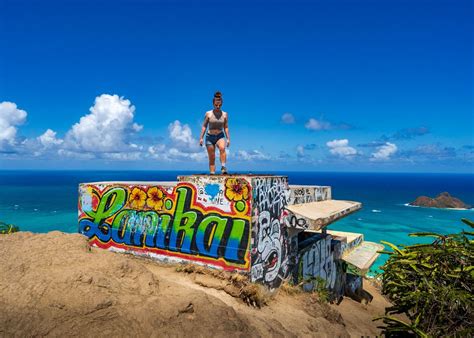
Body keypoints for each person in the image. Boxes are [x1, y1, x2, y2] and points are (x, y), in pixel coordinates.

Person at [199, 91, 230, 174]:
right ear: (213, 103)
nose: (218, 106)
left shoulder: (225, 114)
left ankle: (223, 167)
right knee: (212, 157)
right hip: (210, 136)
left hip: (220, 135)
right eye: (216, 105)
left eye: (219, 105)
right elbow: (204, 126)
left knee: (222, 148)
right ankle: (212, 174)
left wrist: (228, 139)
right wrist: (201, 138)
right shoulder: (208, 114)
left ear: (222, 104)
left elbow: (226, 127)